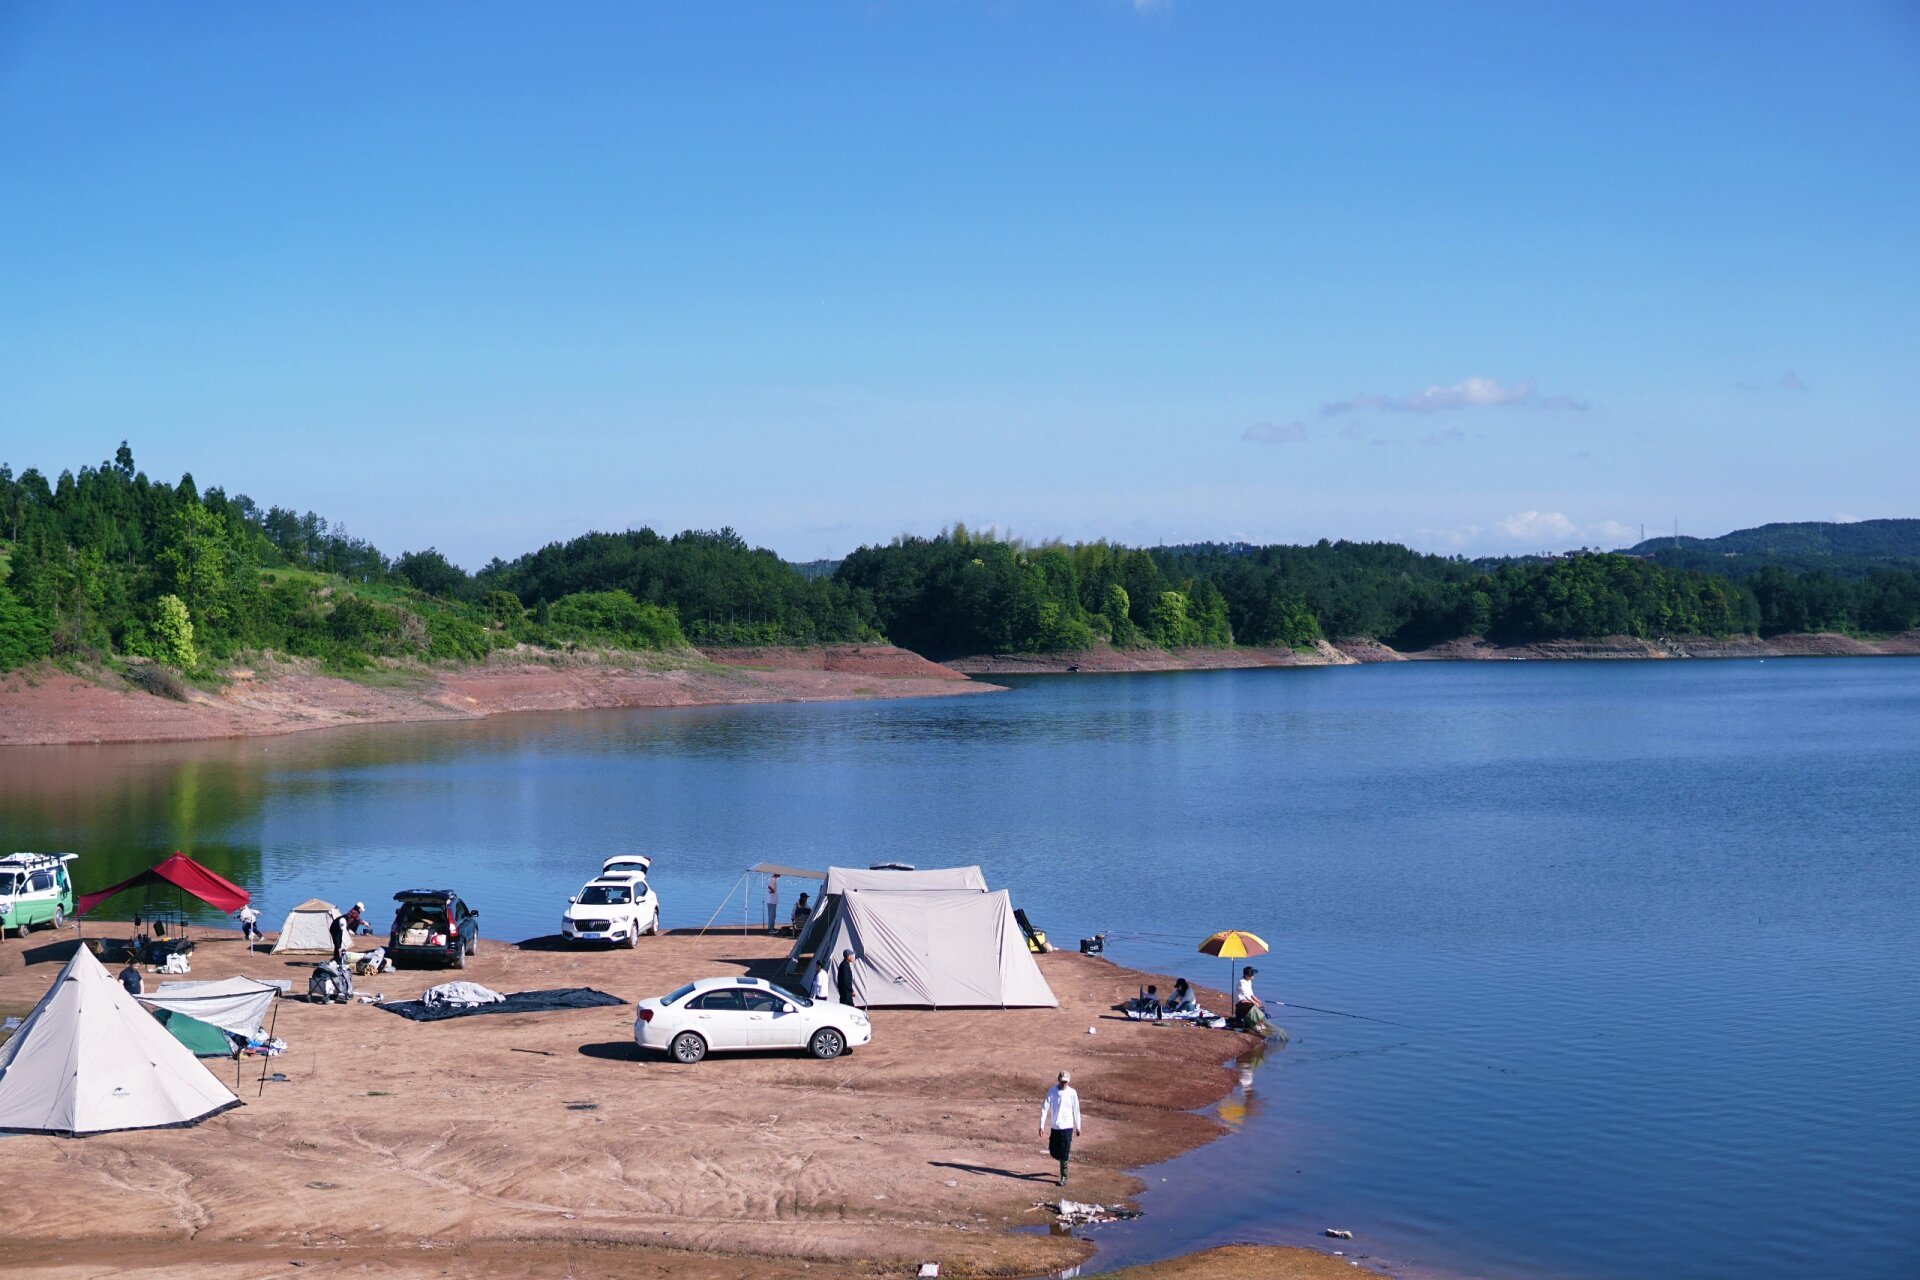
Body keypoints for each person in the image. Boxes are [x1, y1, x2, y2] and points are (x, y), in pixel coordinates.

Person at [1038, 1070, 1083, 1186]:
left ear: (1068, 1081)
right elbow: (1044, 1108)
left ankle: (1064, 1176)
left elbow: (1076, 1110)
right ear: (1059, 1080)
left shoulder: (1072, 1093)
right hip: (1055, 1126)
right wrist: (1041, 1126)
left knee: (1063, 1152)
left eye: (1066, 1082)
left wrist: (1078, 1126)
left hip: (1067, 1127)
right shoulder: (1052, 1091)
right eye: (1062, 1081)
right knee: (1053, 1151)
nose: (1064, 1084)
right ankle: (1064, 1160)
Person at [1235, 965, 1268, 1029]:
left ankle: (1260, 1023)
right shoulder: (1241, 982)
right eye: (1252, 974)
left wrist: (1256, 999)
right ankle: (1255, 1024)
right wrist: (1254, 1002)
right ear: (1247, 975)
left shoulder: (1249, 981)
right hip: (1240, 1001)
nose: (1253, 976)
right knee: (1255, 1007)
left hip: (1246, 1000)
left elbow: (1250, 993)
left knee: (1261, 1007)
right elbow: (1246, 995)